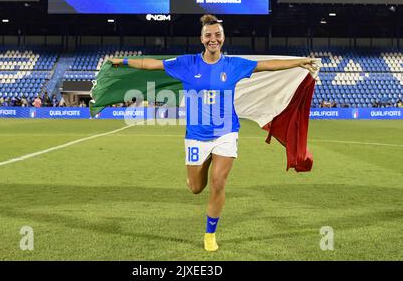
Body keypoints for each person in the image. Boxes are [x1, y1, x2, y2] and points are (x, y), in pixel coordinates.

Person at [110, 14, 318, 252]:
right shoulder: (187, 63)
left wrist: (299, 61)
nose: (213, 39)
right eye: (208, 35)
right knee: (196, 187)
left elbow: (267, 65)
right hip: (196, 135)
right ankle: (206, 161)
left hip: (226, 132)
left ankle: (210, 234)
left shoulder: (233, 65)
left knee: (218, 182)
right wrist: (123, 62)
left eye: (217, 35)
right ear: (201, 38)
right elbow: (153, 64)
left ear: (223, 38)